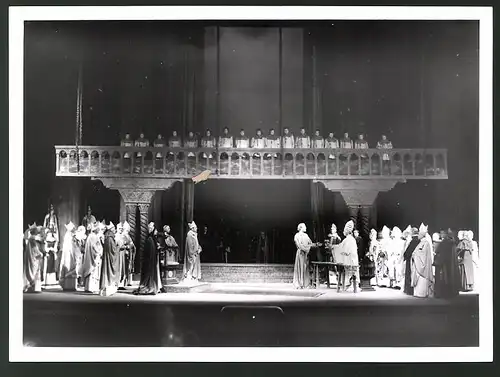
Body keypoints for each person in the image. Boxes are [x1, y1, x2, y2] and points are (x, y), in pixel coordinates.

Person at [134, 222, 162, 295]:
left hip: (151, 261)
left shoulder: (151, 239)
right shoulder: (150, 239)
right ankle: (150, 286)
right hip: (149, 261)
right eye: (149, 228)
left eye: (151, 228)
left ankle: (153, 286)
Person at [331, 220, 358, 292]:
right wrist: (335, 247)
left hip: (351, 260)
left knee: (348, 271)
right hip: (350, 259)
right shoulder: (349, 239)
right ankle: (348, 284)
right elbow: (340, 246)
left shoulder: (349, 239)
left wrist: (334, 247)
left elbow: (344, 249)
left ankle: (350, 284)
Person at [433, 229, 461, 298]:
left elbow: (439, 252)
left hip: (444, 264)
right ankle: (452, 292)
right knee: (451, 276)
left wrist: (437, 260)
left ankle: (444, 293)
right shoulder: (453, 243)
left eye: (442, 233)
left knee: (444, 278)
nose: (441, 235)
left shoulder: (445, 242)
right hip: (450, 264)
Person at [293, 223, 320, 289]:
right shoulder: (297, 235)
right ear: (301, 227)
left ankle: (305, 284)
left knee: (305, 268)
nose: (306, 228)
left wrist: (316, 245)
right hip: (300, 253)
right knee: (300, 267)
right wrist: (306, 249)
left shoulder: (306, 235)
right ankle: (299, 284)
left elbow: (310, 243)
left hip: (305, 254)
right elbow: (299, 245)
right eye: (305, 227)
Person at [411, 223, 434, 298]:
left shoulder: (425, 243)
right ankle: (418, 293)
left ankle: (422, 293)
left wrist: (416, 254)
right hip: (418, 263)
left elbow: (423, 255)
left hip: (422, 264)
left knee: (422, 280)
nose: (418, 235)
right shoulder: (421, 243)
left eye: (419, 234)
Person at [81, 222, 103, 293]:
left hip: (89, 257)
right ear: (95, 229)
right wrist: (99, 253)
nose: (99, 230)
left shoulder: (90, 236)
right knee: (93, 271)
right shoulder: (94, 237)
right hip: (93, 257)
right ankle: (92, 288)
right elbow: (95, 247)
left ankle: (88, 288)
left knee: (90, 271)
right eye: (98, 229)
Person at [23, 224, 45, 293]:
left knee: (34, 269)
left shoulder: (32, 238)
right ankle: (32, 286)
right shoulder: (32, 239)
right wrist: (39, 253)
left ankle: (34, 286)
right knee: (33, 269)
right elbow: (34, 248)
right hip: (33, 257)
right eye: (36, 231)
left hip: (33, 256)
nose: (37, 232)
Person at [99, 222, 120, 297]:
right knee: (109, 273)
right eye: (114, 228)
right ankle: (108, 290)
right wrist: (118, 247)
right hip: (110, 260)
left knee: (105, 271)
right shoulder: (110, 238)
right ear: (111, 229)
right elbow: (113, 251)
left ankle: (104, 290)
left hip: (106, 259)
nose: (115, 230)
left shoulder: (107, 237)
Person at [59, 222, 78, 291]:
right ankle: (67, 285)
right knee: (68, 267)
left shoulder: (71, 235)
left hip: (71, 253)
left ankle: (71, 286)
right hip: (68, 254)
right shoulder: (68, 236)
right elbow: (69, 246)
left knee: (71, 267)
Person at [402, 227, 419, 295]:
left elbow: (408, 252)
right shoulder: (419, 240)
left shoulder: (413, 241)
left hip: (410, 261)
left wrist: (405, 256)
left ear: (412, 232)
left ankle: (409, 290)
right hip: (416, 261)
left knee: (409, 274)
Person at [121, 221, 136, 286]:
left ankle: (129, 281)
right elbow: (124, 243)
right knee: (125, 267)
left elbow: (131, 243)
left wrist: (132, 245)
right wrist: (128, 246)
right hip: (125, 253)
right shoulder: (123, 235)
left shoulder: (128, 235)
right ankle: (125, 281)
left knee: (129, 266)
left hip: (130, 252)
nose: (128, 230)